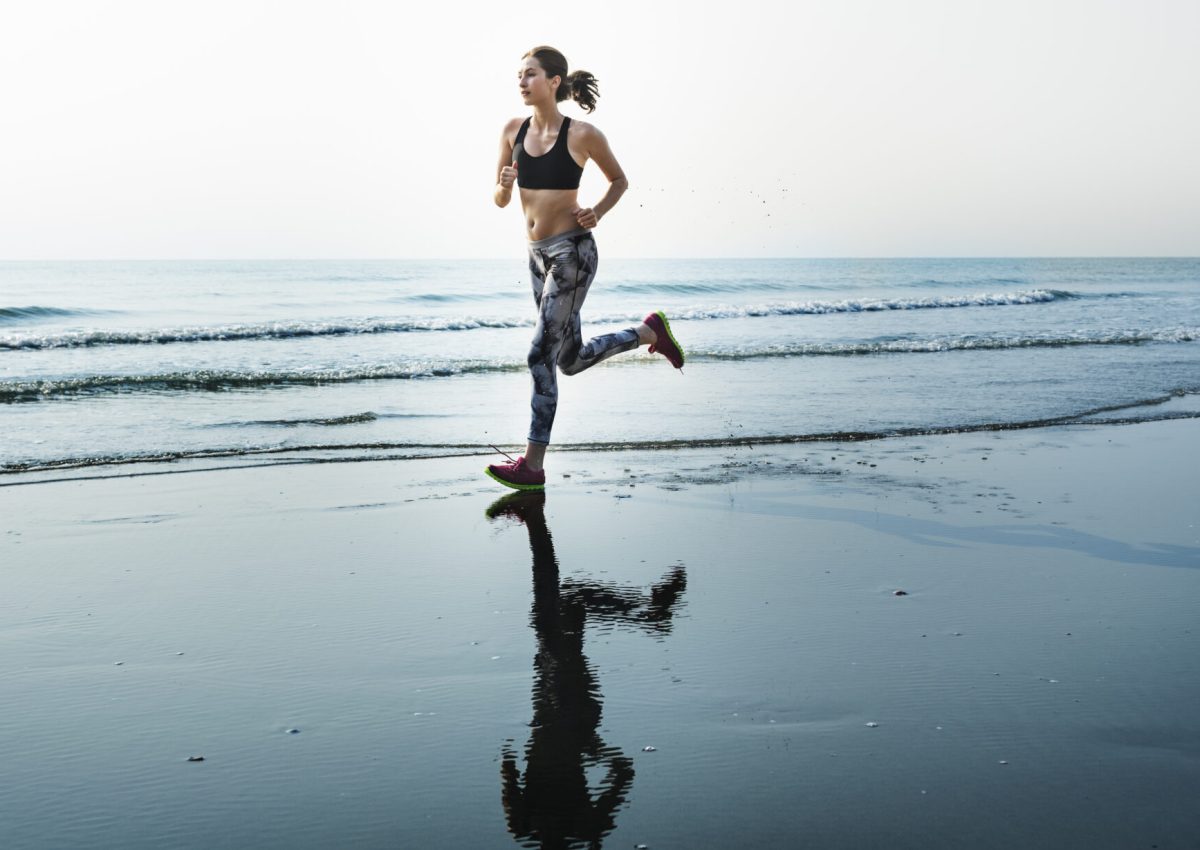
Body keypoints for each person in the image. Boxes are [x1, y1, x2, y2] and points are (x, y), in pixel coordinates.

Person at [487, 46, 685, 491]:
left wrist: (598, 210)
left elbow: (619, 180)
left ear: (554, 81)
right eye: (519, 75)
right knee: (569, 359)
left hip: (572, 255)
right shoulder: (512, 130)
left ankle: (532, 466)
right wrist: (503, 186)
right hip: (536, 256)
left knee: (539, 354)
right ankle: (648, 332)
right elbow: (500, 200)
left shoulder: (582, 134)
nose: (522, 82)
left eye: (530, 74)